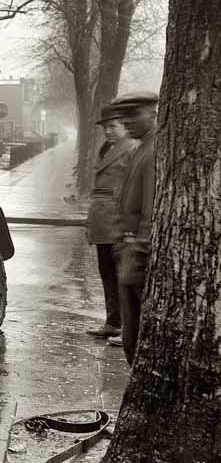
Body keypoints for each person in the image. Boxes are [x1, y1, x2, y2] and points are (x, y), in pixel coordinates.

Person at [111, 90, 158, 365]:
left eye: (133, 114)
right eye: (123, 116)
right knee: (131, 331)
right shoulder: (142, 147)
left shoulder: (152, 150)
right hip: (129, 249)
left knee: (136, 333)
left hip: (137, 254)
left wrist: (138, 249)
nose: (126, 121)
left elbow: (151, 207)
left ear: (153, 113)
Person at [84, 104, 136, 340]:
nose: (109, 131)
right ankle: (113, 322)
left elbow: (134, 188)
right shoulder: (107, 148)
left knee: (123, 276)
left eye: (113, 126)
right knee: (106, 273)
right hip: (102, 220)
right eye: (106, 128)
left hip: (118, 219)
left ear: (125, 126)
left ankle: (128, 328)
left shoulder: (131, 149)